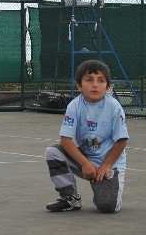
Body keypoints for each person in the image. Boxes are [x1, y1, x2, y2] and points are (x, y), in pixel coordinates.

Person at [44, 60, 129, 214]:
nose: (95, 85)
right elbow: (65, 140)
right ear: (79, 85)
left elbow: (122, 140)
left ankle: (106, 188)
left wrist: (105, 166)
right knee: (53, 152)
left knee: (107, 207)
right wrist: (85, 163)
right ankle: (70, 198)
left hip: (109, 164)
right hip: (85, 160)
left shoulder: (114, 107)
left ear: (108, 87)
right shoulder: (74, 106)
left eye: (100, 80)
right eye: (89, 80)